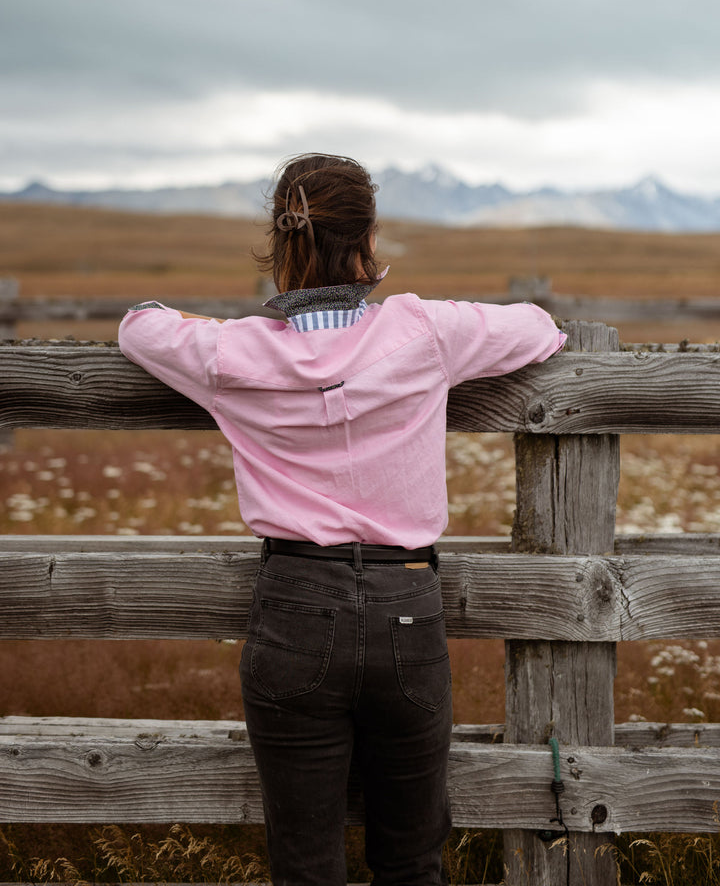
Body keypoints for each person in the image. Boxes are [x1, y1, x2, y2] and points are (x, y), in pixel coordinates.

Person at [118, 152, 566, 886]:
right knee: (413, 861)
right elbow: (539, 329)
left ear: (283, 245)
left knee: (304, 866)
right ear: (365, 244)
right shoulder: (423, 330)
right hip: (407, 605)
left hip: (294, 604)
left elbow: (139, 327)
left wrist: (219, 321)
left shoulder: (231, 352)